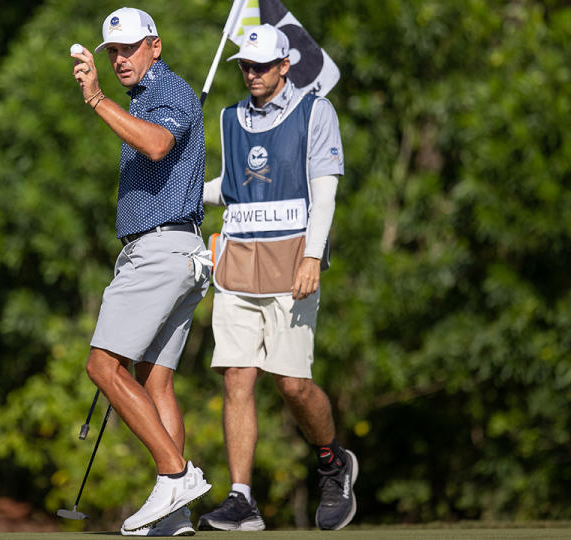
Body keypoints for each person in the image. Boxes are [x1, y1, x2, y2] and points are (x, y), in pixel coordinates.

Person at [195, 24, 358, 531]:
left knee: (292, 385)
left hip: (293, 266)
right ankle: (241, 498)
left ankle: (333, 463)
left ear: (285, 66)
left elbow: (323, 191)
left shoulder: (315, 112)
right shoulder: (228, 118)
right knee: (237, 378)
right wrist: (182, 193)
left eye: (261, 66)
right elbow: (236, 186)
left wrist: (313, 256)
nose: (251, 74)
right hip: (238, 264)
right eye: (245, 65)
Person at [70, 7, 213, 536]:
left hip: (159, 251)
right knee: (157, 381)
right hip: (173, 253)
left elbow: (156, 144)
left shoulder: (166, 90)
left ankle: (174, 475)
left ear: (155, 45)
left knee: (103, 367)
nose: (120, 59)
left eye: (129, 48)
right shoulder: (145, 97)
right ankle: (175, 515)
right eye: (113, 52)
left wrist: (95, 98)